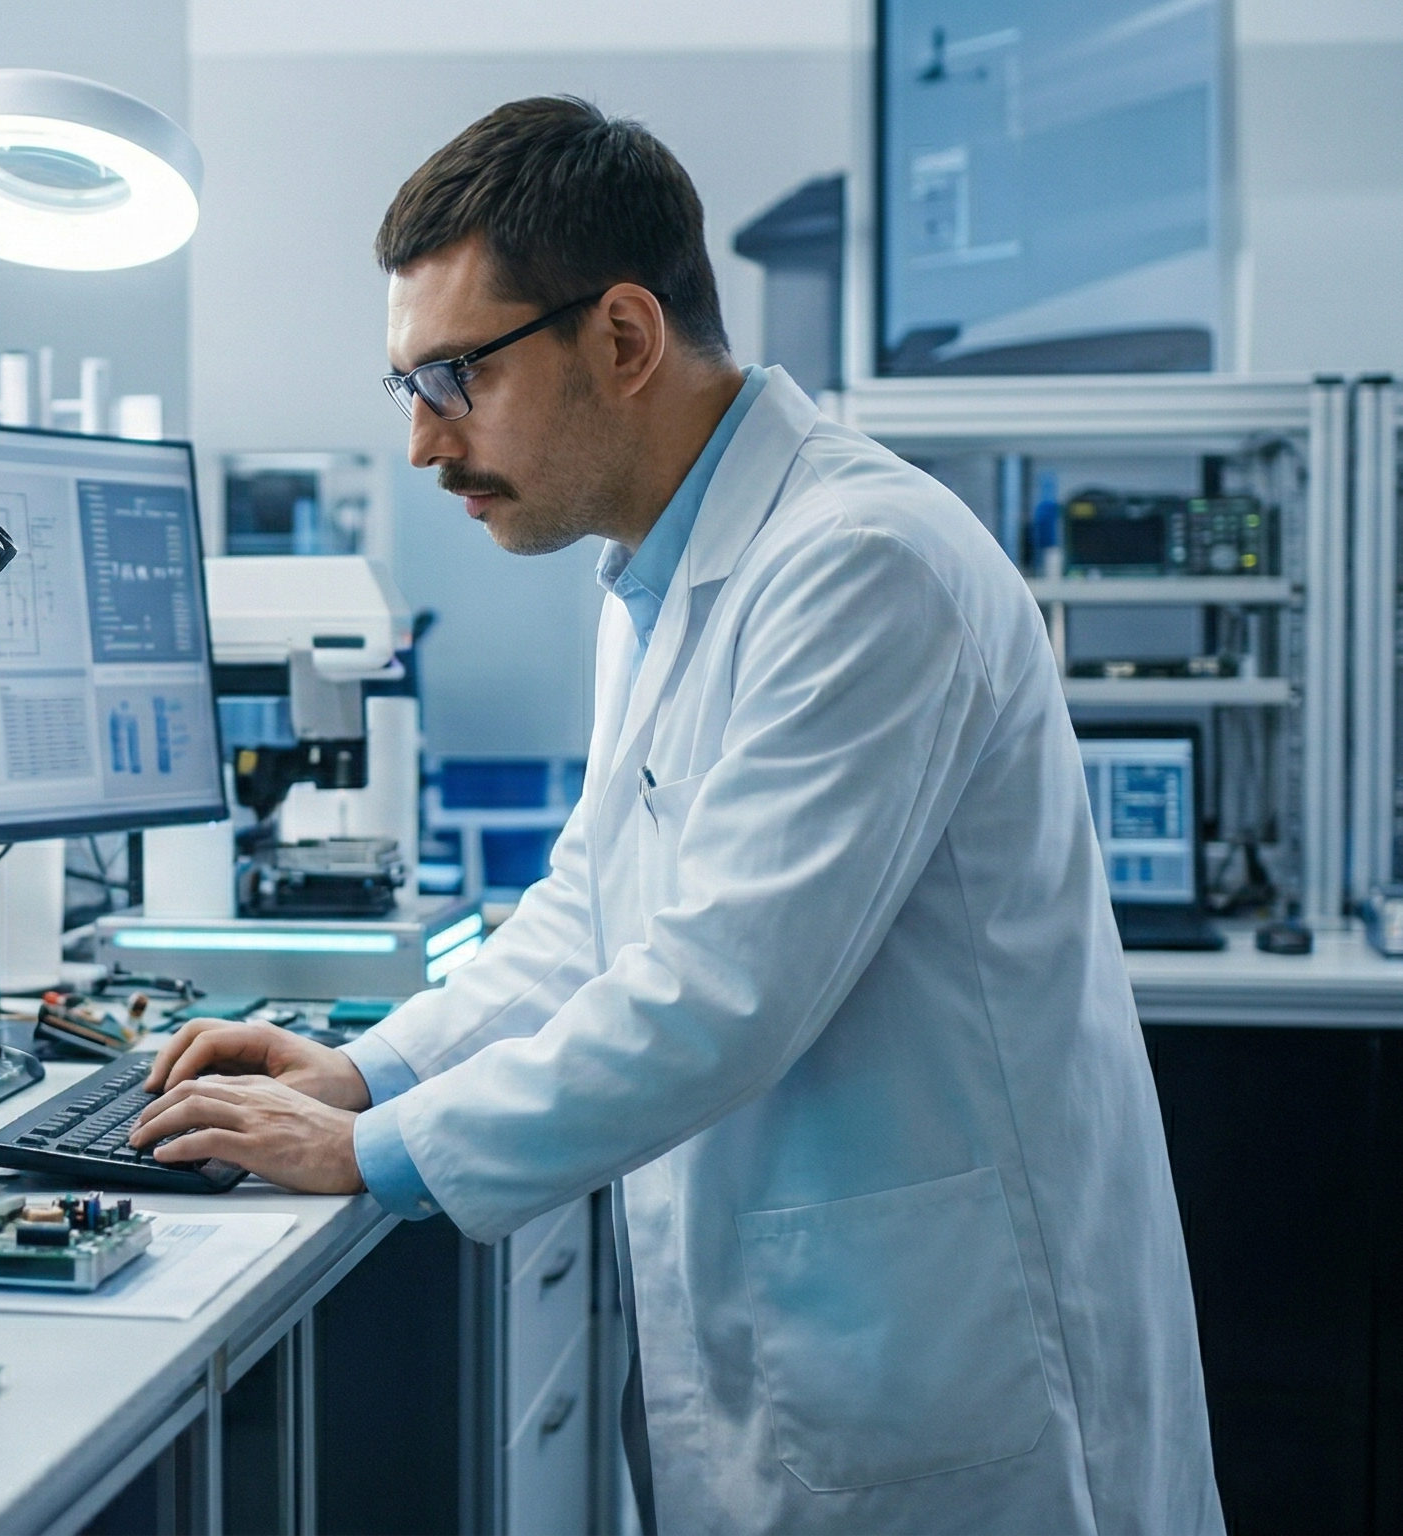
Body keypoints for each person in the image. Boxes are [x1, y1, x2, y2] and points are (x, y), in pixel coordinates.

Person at [130, 96, 1223, 1532]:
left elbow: (721, 992)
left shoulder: (857, 562)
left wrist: (372, 1156)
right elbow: (595, 912)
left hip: (943, 1362)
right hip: (815, 1330)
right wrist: (367, 1071)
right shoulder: (654, 569)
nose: (418, 444)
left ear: (624, 338)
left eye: (450, 377)